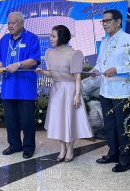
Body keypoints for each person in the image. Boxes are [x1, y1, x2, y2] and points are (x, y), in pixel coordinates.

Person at [36, 25, 92, 162]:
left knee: (70, 120)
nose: (50, 39)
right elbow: (52, 74)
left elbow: (77, 76)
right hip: (57, 90)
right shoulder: (50, 53)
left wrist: (77, 94)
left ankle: (70, 148)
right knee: (59, 121)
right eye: (51, 36)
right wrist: (42, 72)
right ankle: (62, 148)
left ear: (61, 37)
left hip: (70, 89)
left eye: (53, 36)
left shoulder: (74, 53)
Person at [91, 9, 130, 173]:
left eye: (107, 21)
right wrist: (95, 70)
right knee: (110, 125)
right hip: (105, 90)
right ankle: (113, 153)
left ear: (118, 21)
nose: (104, 24)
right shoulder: (104, 42)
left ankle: (125, 160)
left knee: (123, 126)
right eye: (102, 21)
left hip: (122, 91)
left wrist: (116, 69)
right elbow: (100, 62)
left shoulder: (129, 40)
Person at [0, 11, 41, 159]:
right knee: (10, 120)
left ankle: (28, 147)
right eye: (8, 23)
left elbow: (34, 60)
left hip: (25, 88)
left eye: (13, 23)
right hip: (8, 87)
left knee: (27, 121)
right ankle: (14, 145)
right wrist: (1, 66)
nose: (10, 26)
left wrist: (18, 64)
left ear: (22, 23)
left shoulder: (32, 38)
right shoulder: (3, 40)